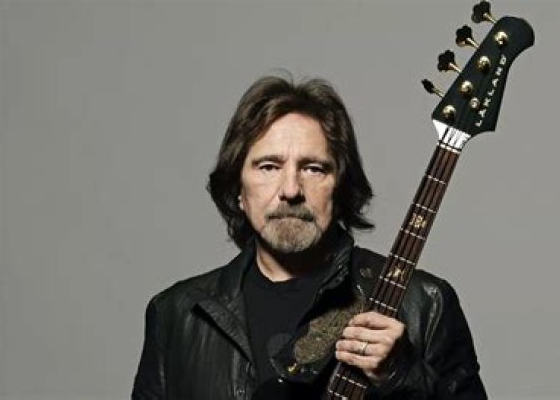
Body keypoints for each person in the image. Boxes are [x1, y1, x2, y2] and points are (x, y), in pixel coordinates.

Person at [132, 75, 488, 399]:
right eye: (269, 166)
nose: (290, 190)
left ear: (341, 187)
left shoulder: (425, 304)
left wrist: (401, 374)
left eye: (313, 168)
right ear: (238, 189)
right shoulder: (177, 314)